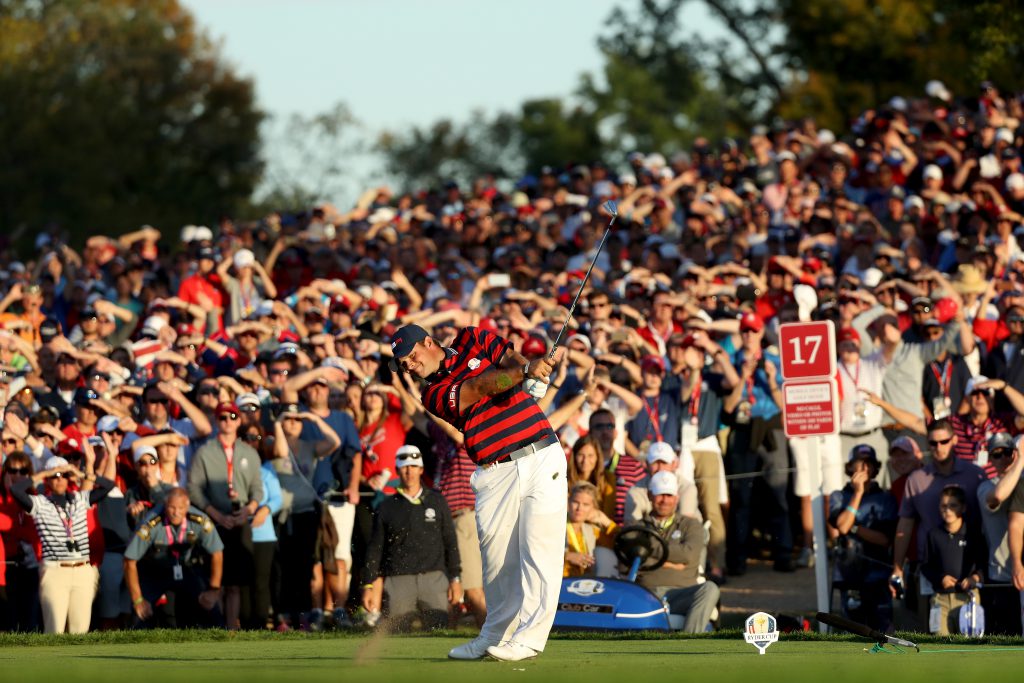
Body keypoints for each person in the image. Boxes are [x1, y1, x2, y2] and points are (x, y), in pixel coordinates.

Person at [390, 323, 567, 661]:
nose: (410, 366)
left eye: (412, 357)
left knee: (538, 550)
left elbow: (510, 357)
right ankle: (493, 636)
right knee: (497, 563)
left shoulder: (474, 337)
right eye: (404, 365)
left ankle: (529, 638)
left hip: (541, 455)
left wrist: (532, 374)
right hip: (494, 472)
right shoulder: (433, 393)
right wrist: (525, 372)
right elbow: (478, 388)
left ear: (430, 341)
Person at [891, 419, 986, 631]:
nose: (939, 447)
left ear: (954, 440)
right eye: (933, 443)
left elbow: (983, 523)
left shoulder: (975, 475)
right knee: (931, 631)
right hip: (929, 569)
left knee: (971, 633)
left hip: (967, 568)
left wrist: (979, 571)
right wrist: (897, 567)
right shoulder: (916, 479)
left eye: (944, 441)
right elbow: (904, 525)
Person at [9, 455, 115, 633]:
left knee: (80, 631)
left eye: (63, 475)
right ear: (48, 480)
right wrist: (44, 473)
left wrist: (80, 474)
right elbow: (16, 490)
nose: (60, 480)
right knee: (54, 630)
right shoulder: (40, 503)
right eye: (55, 476)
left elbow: (109, 486)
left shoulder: (80, 498)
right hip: (55, 571)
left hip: (83, 569)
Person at [361, 445, 462, 631]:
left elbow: (450, 541)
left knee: (438, 633)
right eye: (405, 467)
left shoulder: (437, 501)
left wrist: (455, 578)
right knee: (398, 635)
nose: (409, 471)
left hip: (434, 578)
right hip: (398, 580)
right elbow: (375, 549)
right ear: (398, 470)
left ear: (421, 469)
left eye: (414, 466)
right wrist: (368, 584)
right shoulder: (386, 507)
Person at [187, 401, 263, 629]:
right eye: (223, 417)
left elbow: (258, 489)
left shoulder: (249, 452)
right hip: (213, 522)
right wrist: (214, 514)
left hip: (240, 521)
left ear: (239, 421)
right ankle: (217, 628)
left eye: (232, 416)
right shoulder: (205, 451)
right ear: (216, 421)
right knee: (216, 581)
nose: (228, 421)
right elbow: (194, 488)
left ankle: (230, 630)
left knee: (235, 583)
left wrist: (248, 511)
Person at [123, 487, 225, 628]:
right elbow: (129, 561)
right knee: (140, 615)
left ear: (188, 506)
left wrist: (214, 590)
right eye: (171, 507)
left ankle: (222, 641)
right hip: (154, 572)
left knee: (210, 606)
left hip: (186, 568)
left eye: (181, 508)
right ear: (165, 505)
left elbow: (217, 553)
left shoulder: (200, 520)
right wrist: (137, 600)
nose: (176, 512)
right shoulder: (150, 524)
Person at [634, 471, 720, 633]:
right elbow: (629, 563)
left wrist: (650, 551)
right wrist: (674, 562)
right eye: (660, 494)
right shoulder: (636, 526)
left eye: (669, 495)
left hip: (680, 594)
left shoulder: (691, 525)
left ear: (677, 497)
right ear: (649, 495)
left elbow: (689, 556)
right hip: (645, 594)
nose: (665, 500)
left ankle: (688, 645)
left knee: (710, 588)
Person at [828, 445, 898, 632]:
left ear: (875, 469)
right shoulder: (838, 496)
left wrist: (855, 526)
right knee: (852, 632)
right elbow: (841, 526)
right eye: (860, 464)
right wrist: (858, 493)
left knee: (882, 632)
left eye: (869, 465)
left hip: (879, 578)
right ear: (850, 467)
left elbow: (884, 539)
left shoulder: (886, 499)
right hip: (849, 577)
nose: (864, 470)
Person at [920, 485, 987, 635]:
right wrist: (940, 578)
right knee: (940, 644)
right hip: (940, 599)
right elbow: (925, 565)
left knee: (969, 646)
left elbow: (984, 565)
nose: (948, 510)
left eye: (953, 505)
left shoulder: (973, 534)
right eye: (944, 505)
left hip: (968, 598)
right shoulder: (934, 534)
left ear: (963, 508)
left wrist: (974, 578)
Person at [976, 432, 1024, 634]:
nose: (1003, 458)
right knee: (1004, 640)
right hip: (1001, 574)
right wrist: (1021, 461)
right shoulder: (985, 487)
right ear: (990, 458)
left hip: (1021, 574)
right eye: (996, 454)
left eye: (1007, 452)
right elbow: (998, 495)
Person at [625, 441, 699, 524]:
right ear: (647, 464)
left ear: (674, 464)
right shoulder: (636, 491)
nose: (660, 468)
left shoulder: (686, 488)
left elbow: (686, 524)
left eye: (664, 463)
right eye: (655, 463)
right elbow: (632, 526)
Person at [563, 482, 617, 578]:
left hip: (585, 585)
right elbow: (538, 552)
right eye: (575, 502)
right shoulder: (555, 525)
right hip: (558, 584)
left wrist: (606, 522)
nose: (579, 508)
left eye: (586, 504)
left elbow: (621, 544)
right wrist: (566, 556)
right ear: (568, 502)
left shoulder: (592, 531)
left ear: (593, 507)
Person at [567, 434, 615, 520]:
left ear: (598, 457)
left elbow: (608, 515)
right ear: (574, 457)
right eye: (581, 455)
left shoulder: (608, 479)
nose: (585, 460)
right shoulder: (564, 479)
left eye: (590, 456)